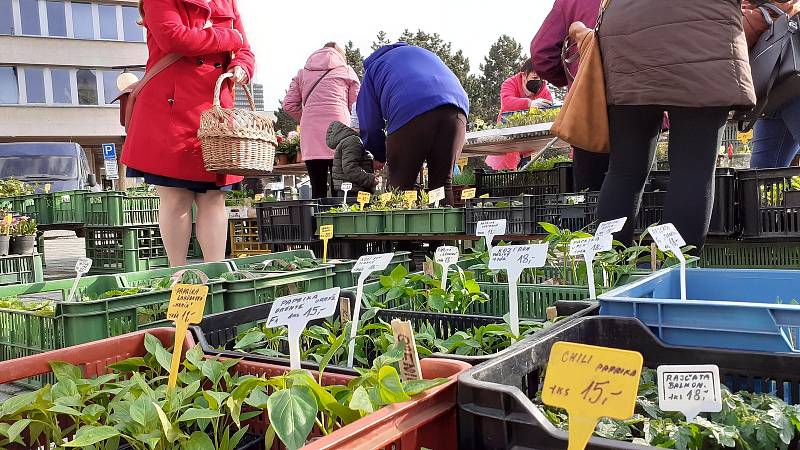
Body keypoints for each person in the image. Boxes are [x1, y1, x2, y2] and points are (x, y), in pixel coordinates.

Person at [589, 0, 755, 250]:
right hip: (702, 41)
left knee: (624, 170)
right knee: (693, 169)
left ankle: (606, 269)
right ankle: (676, 274)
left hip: (627, 40)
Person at [121, 0, 254, 267]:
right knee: (175, 197)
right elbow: (175, 39)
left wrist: (242, 66)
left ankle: (216, 273)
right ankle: (177, 276)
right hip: (171, 111)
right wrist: (229, 37)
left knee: (215, 198)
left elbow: (246, 49)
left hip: (215, 113)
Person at [358, 43, 469, 205]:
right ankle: (445, 229)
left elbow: (369, 124)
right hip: (457, 108)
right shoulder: (426, 53)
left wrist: (379, 155)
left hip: (410, 107)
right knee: (441, 185)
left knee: (400, 187)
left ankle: (400, 229)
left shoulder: (373, 68)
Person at [531, 0, 610, 192]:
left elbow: (542, 53)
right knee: (635, 180)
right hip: (641, 97)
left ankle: (594, 221)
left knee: (591, 191)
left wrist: (574, 81)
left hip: (588, 103)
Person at [284, 43, 360, 199]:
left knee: (317, 188)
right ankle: (339, 220)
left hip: (311, 133)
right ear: (340, 55)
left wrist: (307, 117)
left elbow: (289, 105)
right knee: (340, 188)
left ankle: (317, 222)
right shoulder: (346, 71)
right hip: (339, 130)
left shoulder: (302, 73)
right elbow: (357, 105)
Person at [742, 0, 800, 168]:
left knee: (763, 173)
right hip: (773, 94)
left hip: (784, 85)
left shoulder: (756, 16)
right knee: (763, 173)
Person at [485, 59, 554, 171]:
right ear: (524, 75)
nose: (539, 82)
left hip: (531, 141)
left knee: (527, 173)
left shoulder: (544, 91)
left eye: (541, 79)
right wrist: (530, 103)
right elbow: (507, 102)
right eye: (535, 78)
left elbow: (550, 112)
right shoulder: (510, 83)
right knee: (503, 173)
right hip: (508, 139)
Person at [328, 120, 377, 195]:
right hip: (354, 191)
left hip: (349, 190)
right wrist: (370, 179)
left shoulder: (348, 140)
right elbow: (350, 168)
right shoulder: (353, 141)